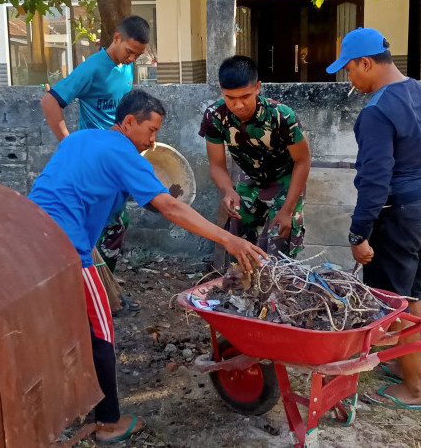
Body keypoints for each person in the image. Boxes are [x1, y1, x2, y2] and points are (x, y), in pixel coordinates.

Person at [29, 90, 266, 443]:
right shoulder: (125, 153)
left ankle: (62, 402)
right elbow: (170, 208)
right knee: (100, 332)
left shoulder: (80, 138)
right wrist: (227, 239)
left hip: (28, 233)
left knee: (61, 326)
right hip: (67, 248)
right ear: (128, 123)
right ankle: (108, 424)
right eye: (150, 130)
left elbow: (81, 188)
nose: (153, 141)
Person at [326, 27, 421, 409]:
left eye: (349, 69)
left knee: (391, 303)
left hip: (398, 216)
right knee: (411, 299)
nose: (350, 78)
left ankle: (414, 390)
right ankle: (408, 369)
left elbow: (375, 180)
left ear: (365, 62)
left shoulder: (376, 110)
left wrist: (358, 233)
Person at [41, 15, 150, 311]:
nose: (131, 58)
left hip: (116, 160)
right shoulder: (92, 68)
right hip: (95, 163)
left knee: (110, 225)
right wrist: (68, 143)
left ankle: (99, 293)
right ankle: (94, 298)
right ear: (116, 38)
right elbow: (50, 101)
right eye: (129, 51)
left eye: (137, 55)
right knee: (110, 226)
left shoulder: (126, 67)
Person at [199, 55, 311, 258]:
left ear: (258, 87)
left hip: (285, 178)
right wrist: (227, 190)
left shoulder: (281, 116)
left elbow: (303, 161)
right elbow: (217, 165)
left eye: (245, 97)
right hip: (250, 178)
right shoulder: (214, 117)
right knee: (237, 241)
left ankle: (276, 286)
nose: (238, 105)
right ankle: (239, 287)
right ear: (221, 90)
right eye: (230, 98)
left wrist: (288, 210)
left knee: (280, 246)